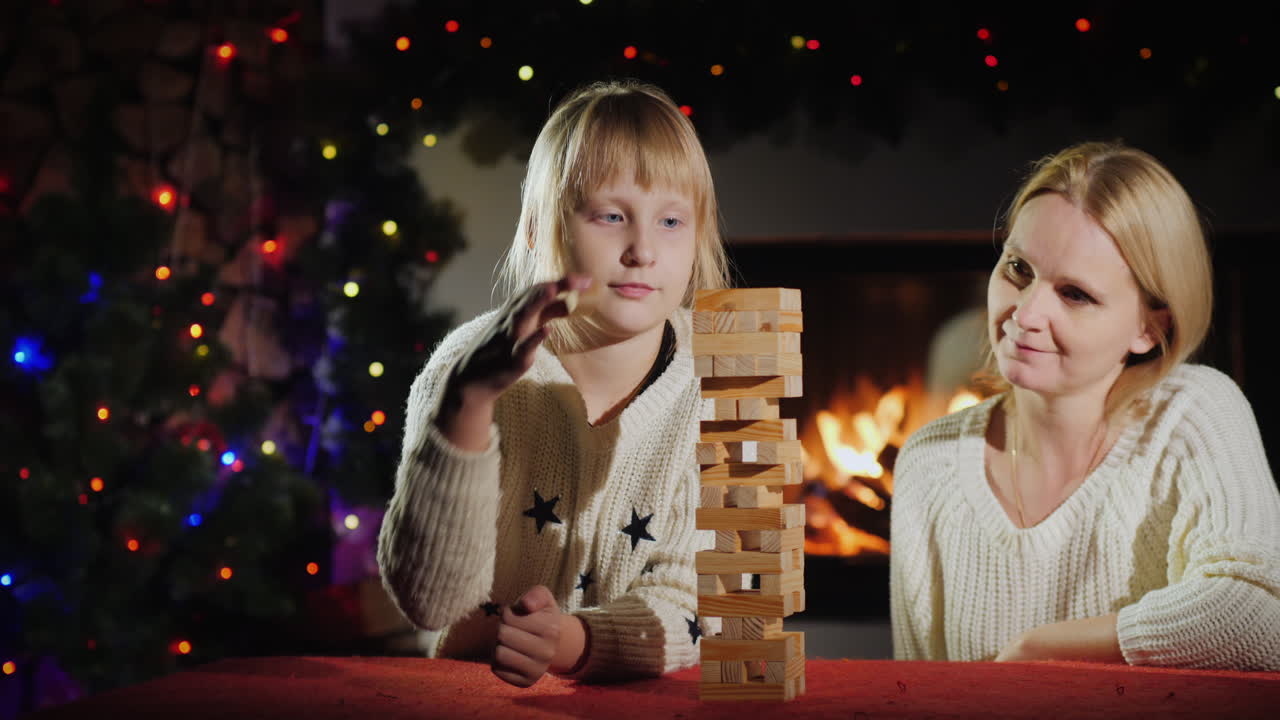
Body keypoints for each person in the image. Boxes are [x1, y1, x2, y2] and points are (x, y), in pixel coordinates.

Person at [377, 80, 729, 687]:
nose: (642, 249)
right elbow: (430, 601)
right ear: (542, 230)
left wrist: (575, 640)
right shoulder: (462, 368)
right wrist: (469, 404)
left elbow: (700, 596)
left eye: (671, 220)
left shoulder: (719, 381)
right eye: (611, 216)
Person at [890, 141, 1280, 669]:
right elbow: (918, 691)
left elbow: (1260, 618)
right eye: (1018, 269)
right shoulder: (927, 463)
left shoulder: (1194, 415)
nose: (1026, 314)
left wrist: (1044, 648)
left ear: (1149, 328)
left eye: (1075, 294)